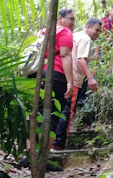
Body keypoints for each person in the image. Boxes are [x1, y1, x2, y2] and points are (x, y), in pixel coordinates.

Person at [52, 18, 103, 151]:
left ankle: (52, 142)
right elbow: (81, 60)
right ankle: (58, 145)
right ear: (88, 27)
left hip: (63, 76)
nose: (97, 34)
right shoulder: (85, 39)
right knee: (67, 111)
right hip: (73, 79)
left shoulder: (73, 36)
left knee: (58, 109)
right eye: (96, 30)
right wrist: (90, 78)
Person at [44, 8, 75, 150]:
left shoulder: (43, 31)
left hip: (36, 75)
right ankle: (44, 157)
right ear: (60, 19)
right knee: (52, 115)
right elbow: (65, 55)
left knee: (35, 114)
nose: (73, 22)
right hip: (55, 75)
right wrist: (70, 81)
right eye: (71, 19)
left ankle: (30, 153)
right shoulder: (64, 32)